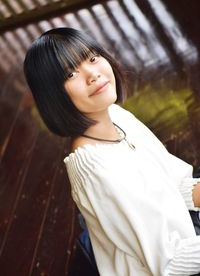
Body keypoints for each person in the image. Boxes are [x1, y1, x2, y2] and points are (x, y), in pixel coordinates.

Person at [24, 27, 200, 276]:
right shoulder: (97, 170)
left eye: (92, 58)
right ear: (54, 95)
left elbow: (177, 185)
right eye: (71, 73)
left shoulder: (115, 116)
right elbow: (169, 264)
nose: (92, 74)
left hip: (185, 236)